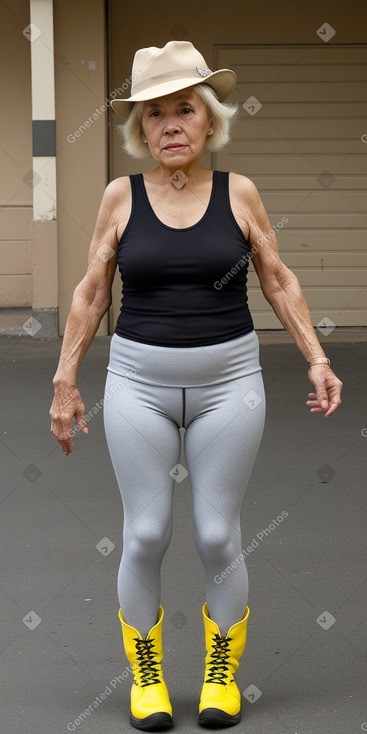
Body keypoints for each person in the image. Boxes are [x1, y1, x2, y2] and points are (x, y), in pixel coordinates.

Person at [50, 40, 343, 732]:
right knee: (145, 533)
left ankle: (219, 676)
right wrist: (65, 380)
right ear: (139, 130)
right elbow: (92, 293)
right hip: (137, 385)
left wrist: (316, 357)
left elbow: (276, 278)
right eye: (154, 115)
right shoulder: (119, 197)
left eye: (184, 110)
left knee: (216, 536)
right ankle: (146, 679)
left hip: (228, 384)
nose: (170, 125)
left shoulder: (237, 191)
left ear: (210, 120)